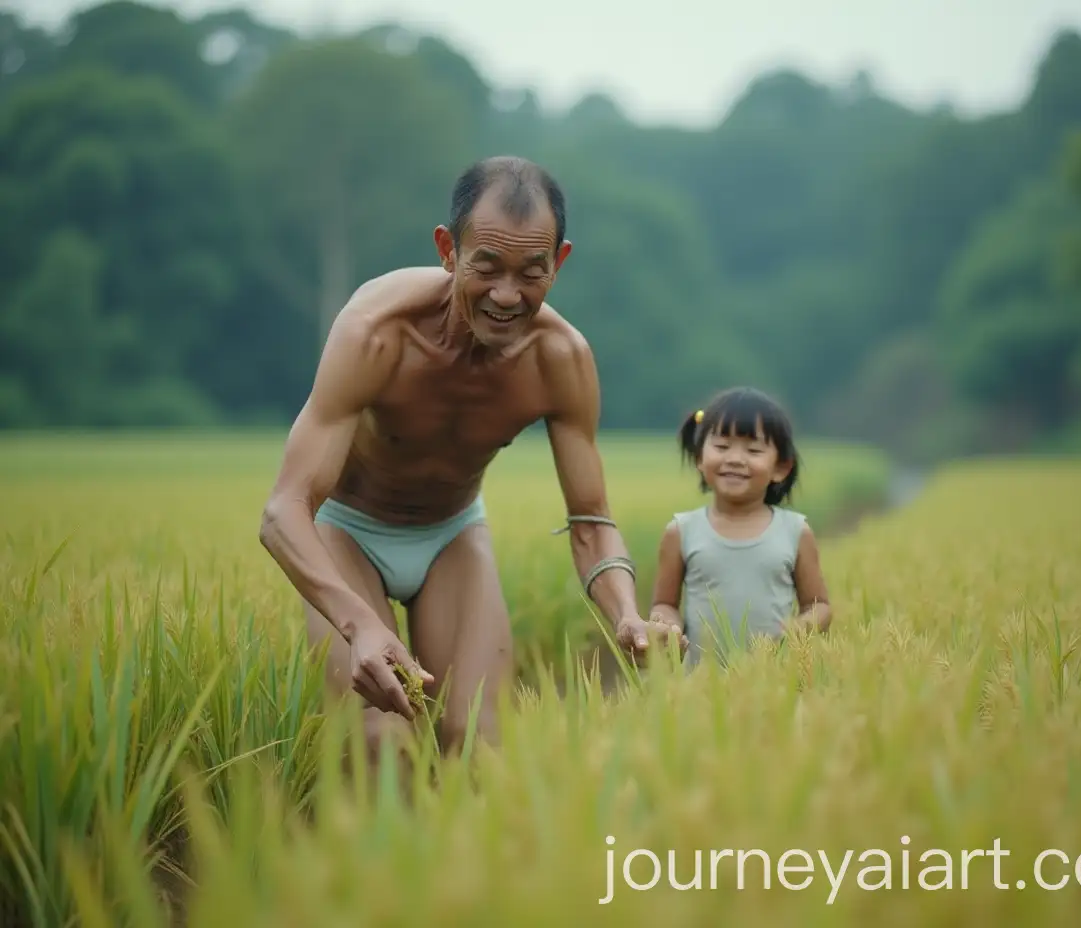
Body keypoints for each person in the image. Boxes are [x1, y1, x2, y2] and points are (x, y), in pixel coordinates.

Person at [258, 156, 685, 764]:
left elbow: (591, 518)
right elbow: (284, 511)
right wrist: (361, 625)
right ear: (448, 250)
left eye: (531, 273)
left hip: (450, 533)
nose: (507, 296)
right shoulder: (376, 331)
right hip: (348, 531)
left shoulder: (560, 359)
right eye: (486, 267)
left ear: (558, 263)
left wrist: (626, 615)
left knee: (477, 742)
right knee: (382, 742)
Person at [647, 387, 832, 665]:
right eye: (721, 447)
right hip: (699, 684)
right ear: (700, 457)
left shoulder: (795, 531)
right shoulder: (681, 531)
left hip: (773, 680)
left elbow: (819, 606)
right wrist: (667, 627)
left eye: (754, 450)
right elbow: (664, 603)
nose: (734, 459)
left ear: (780, 467)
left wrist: (800, 628)